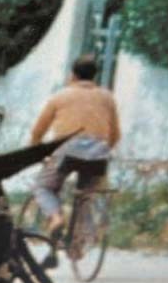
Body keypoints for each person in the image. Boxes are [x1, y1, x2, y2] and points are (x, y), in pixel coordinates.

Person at [29, 54, 121, 233]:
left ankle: (55, 217)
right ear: (95, 76)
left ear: (73, 75)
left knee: (43, 186)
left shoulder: (60, 97)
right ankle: (79, 245)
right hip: (98, 153)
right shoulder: (107, 98)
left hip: (67, 151)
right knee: (87, 197)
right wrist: (102, 150)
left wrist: (39, 153)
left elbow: (37, 132)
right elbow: (115, 134)